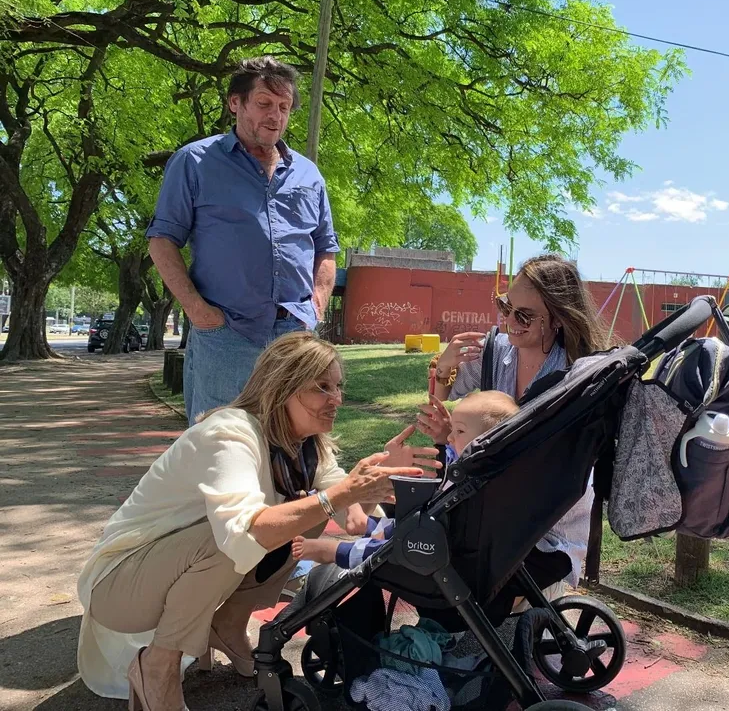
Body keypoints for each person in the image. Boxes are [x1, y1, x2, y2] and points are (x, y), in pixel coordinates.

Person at [76, 332, 440, 710]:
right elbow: (245, 530)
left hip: (168, 573)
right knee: (244, 530)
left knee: (305, 515)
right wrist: (340, 494)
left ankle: (229, 624)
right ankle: (158, 665)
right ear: (282, 388)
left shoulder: (308, 448)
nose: (337, 399)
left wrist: (380, 478)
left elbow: (354, 519)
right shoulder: (230, 432)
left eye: (338, 386)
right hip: (118, 586)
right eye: (322, 387)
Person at [146, 56, 339, 425]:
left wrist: (316, 305)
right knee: (221, 441)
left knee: (295, 440)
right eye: (264, 103)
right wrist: (199, 312)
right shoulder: (194, 162)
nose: (275, 116)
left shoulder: (309, 174)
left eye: (284, 107)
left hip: (295, 336)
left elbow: (325, 248)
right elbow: (161, 240)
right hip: (227, 334)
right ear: (235, 102)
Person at [425, 253, 609, 597]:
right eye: (505, 306)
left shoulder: (578, 373)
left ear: (558, 318)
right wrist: (444, 366)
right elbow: (443, 392)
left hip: (547, 524)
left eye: (524, 315)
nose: (510, 320)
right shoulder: (496, 351)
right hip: (490, 512)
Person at [291, 391, 519, 569]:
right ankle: (365, 524)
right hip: (432, 529)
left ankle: (333, 551)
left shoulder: (477, 481)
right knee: (403, 525)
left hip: (434, 547)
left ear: (487, 441)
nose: (449, 436)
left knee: (385, 548)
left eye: (459, 431)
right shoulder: (483, 471)